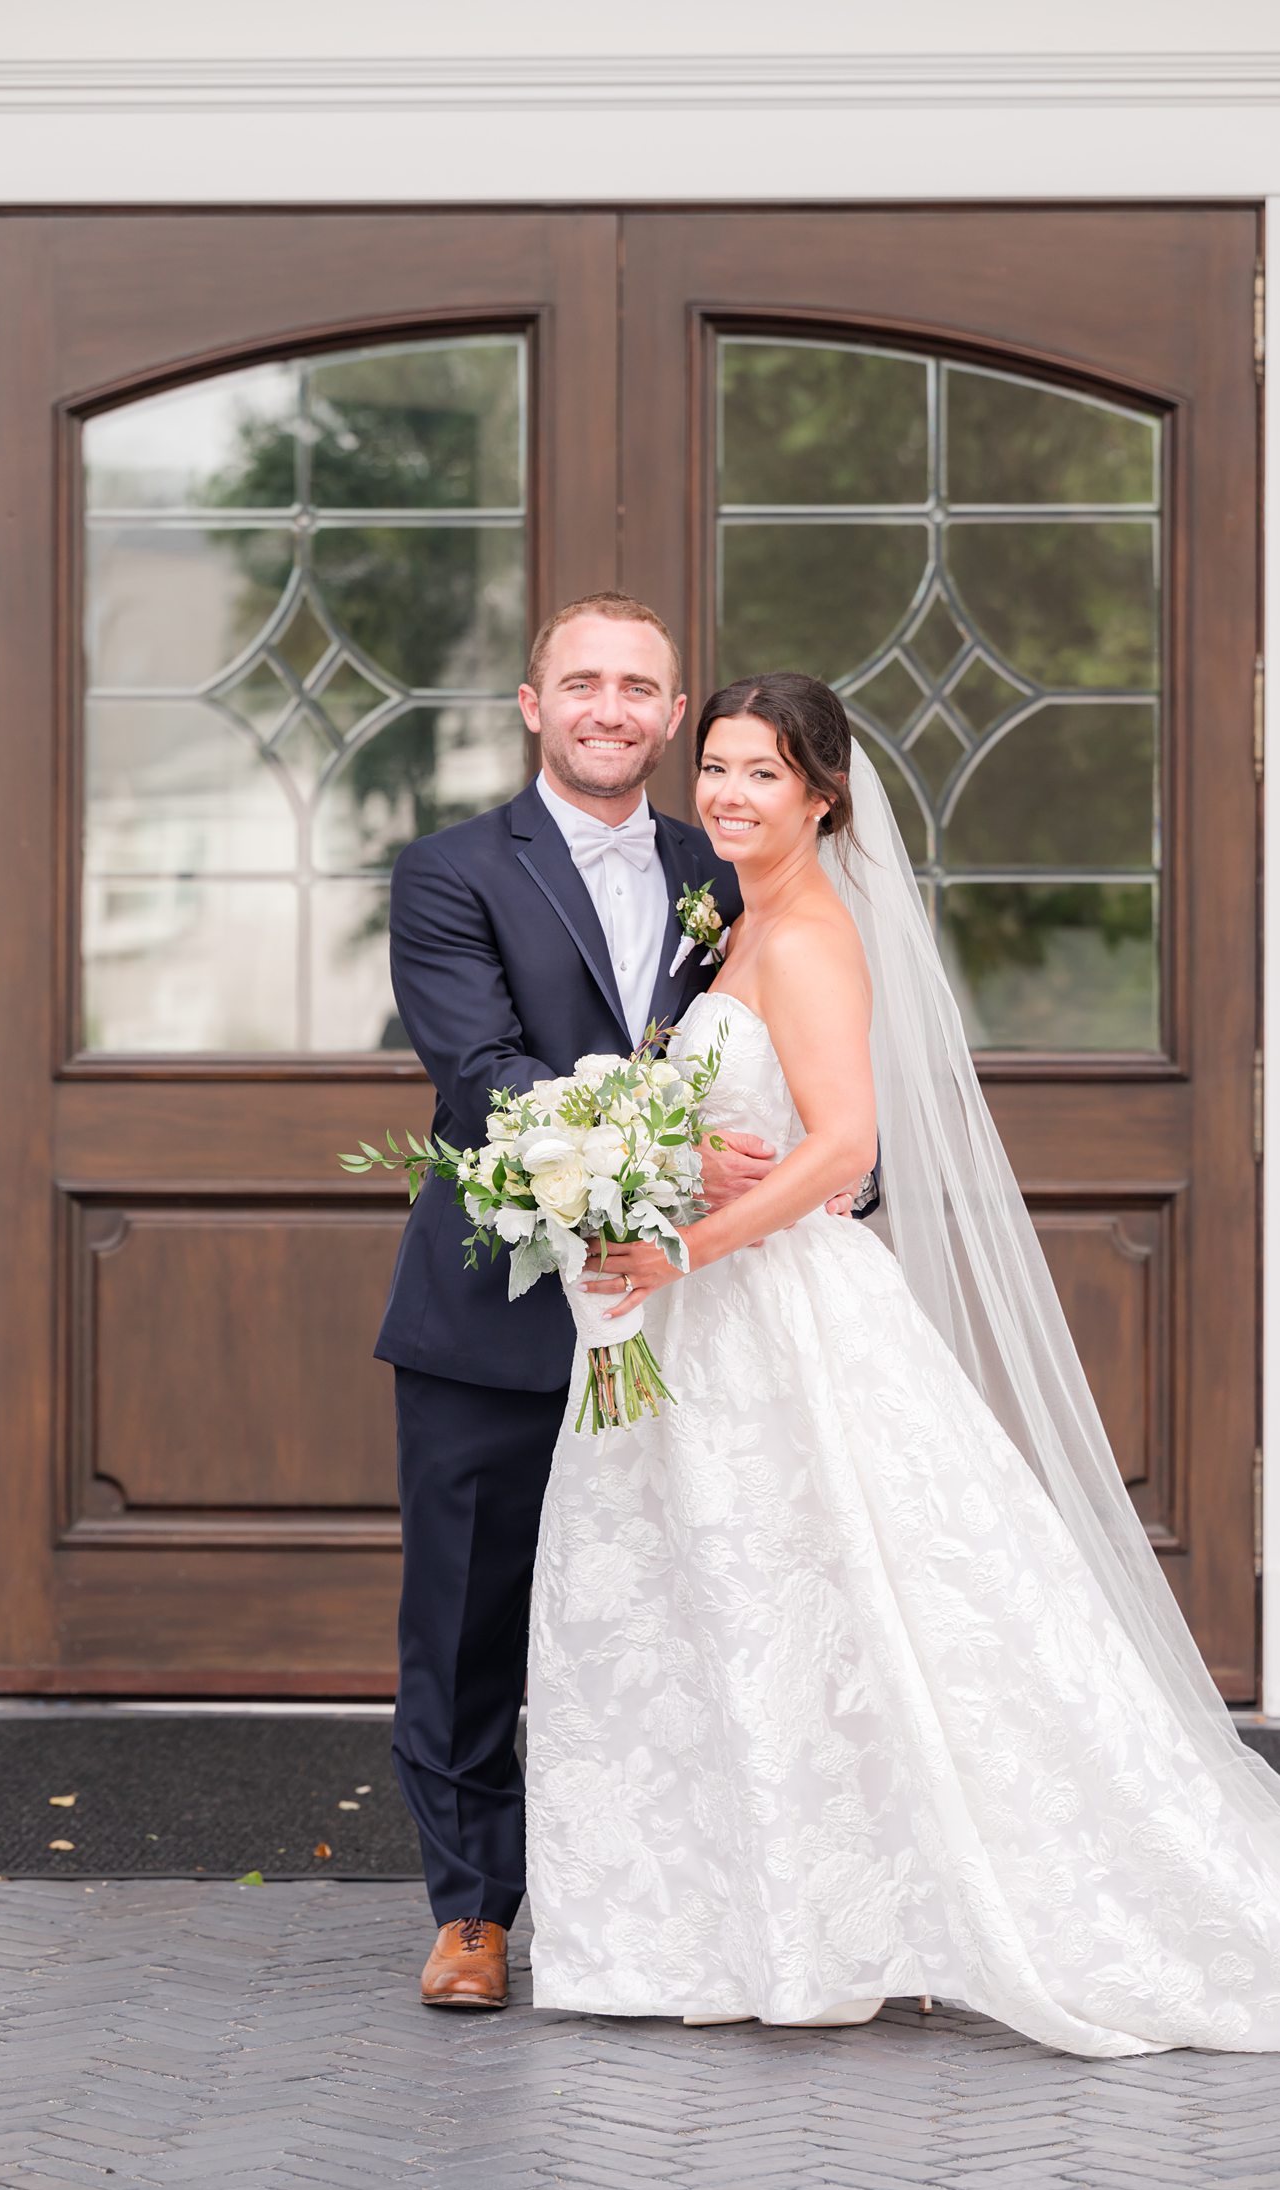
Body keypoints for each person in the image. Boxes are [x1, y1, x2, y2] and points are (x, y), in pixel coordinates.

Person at [524, 671, 1280, 2055]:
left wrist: (686, 1250)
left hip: (780, 1318)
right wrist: (634, 1166)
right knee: (736, 1611)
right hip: (698, 1326)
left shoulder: (811, 933)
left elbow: (842, 1149)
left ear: (822, 793)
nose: (728, 793)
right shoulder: (736, 921)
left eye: (762, 772)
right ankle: (747, 1916)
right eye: (718, 768)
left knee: (849, 1611)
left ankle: (860, 1914)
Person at [374, 598, 863, 2009]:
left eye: (638, 688)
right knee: (470, 1616)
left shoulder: (732, 856)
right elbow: (483, 1076)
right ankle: (472, 1914)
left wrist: (830, 1172)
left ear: (669, 718)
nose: (608, 707)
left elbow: (798, 1053)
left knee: (666, 1610)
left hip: (694, 1323)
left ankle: (689, 1895)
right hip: (500, 1304)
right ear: (533, 704)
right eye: (580, 681)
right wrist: (664, 1148)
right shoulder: (451, 871)